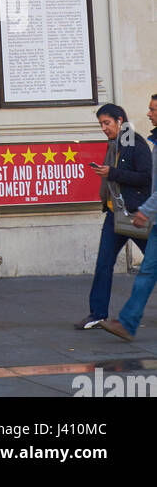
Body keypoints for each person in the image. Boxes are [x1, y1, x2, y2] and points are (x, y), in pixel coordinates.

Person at [74, 102, 152, 330]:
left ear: (120, 121)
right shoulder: (114, 144)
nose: (104, 128)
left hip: (136, 213)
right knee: (104, 263)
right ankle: (97, 314)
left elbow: (147, 178)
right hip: (115, 213)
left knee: (153, 263)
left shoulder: (134, 142)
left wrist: (113, 173)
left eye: (106, 123)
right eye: (100, 124)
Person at [102, 94, 157, 340]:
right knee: (147, 271)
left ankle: (127, 322)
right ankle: (126, 322)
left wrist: (146, 210)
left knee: (147, 271)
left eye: (153, 110)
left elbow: (148, 181)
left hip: (146, 212)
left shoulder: (137, 143)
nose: (148, 114)